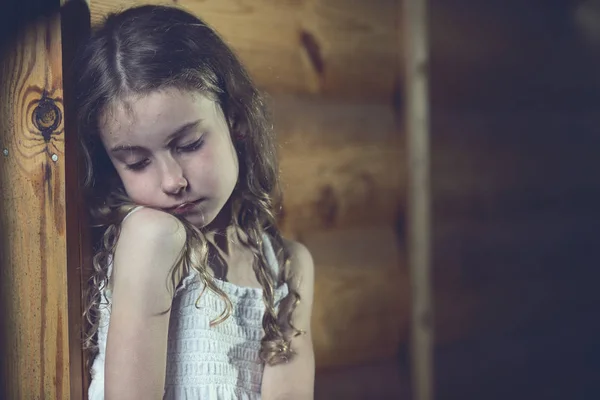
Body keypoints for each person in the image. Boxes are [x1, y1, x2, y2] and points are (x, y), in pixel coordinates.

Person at [73, 4, 315, 399]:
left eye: (189, 144)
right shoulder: (152, 238)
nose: (172, 181)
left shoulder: (287, 267)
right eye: (137, 162)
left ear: (235, 118)